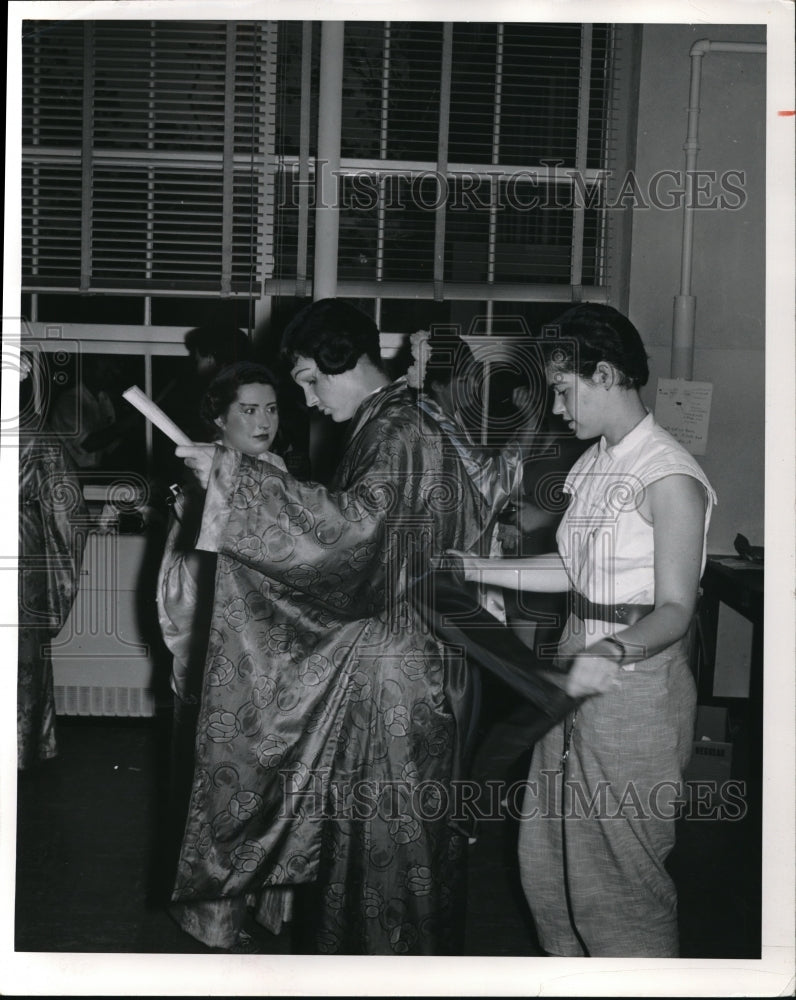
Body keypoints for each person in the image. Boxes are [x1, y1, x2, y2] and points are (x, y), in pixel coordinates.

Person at [170, 299, 491, 955]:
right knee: (377, 851)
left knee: (388, 854)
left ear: (342, 362)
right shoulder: (407, 419)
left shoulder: (397, 427)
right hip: (403, 657)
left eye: (311, 381)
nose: (308, 401)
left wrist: (237, 484)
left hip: (393, 671)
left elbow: (357, 535)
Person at [449, 303, 717, 957]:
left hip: (633, 678)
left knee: (621, 880)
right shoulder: (597, 462)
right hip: (574, 661)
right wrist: (476, 565)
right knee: (549, 862)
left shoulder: (669, 475)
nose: (556, 408)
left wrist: (611, 651)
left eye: (564, 390)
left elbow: (676, 607)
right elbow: (575, 567)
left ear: (606, 374)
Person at [157, 361, 299, 950]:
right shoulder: (201, 477)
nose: (263, 421)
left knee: (272, 793)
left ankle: (266, 911)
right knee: (223, 796)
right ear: (218, 418)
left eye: (270, 408)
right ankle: (214, 924)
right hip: (225, 665)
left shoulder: (276, 470)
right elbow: (183, 585)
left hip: (278, 664)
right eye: (248, 409)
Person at [18, 352, 88, 769]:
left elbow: (67, 512)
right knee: (23, 655)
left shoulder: (39, 440)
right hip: (25, 553)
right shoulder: (41, 440)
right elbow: (67, 518)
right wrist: (63, 580)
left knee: (23, 651)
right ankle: (21, 748)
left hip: (22, 556)